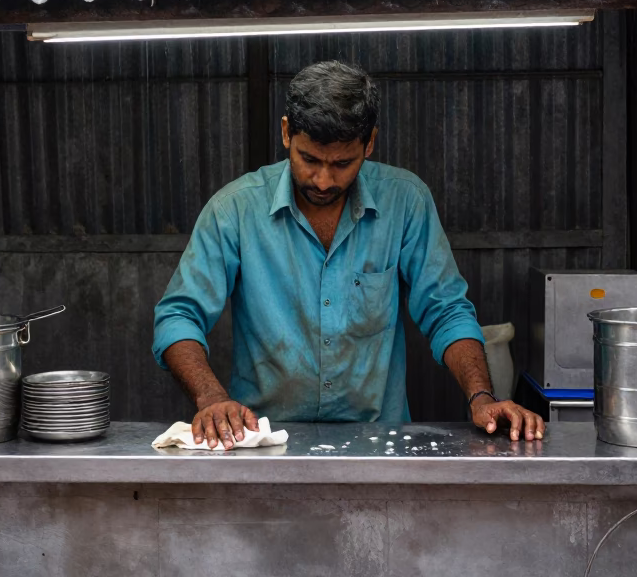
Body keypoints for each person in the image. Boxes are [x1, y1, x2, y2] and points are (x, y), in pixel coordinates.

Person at [152, 60, 544, 449]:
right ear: (287, 133)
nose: (324, 180)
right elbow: (178, 316)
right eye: (310, 160)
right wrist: (211, 398)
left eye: (342, 163)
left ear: (369, 143)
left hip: (380, 443)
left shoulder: (405, 201)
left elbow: (446, 310)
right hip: (263, 440)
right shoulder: (234, 210)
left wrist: (482, 398)